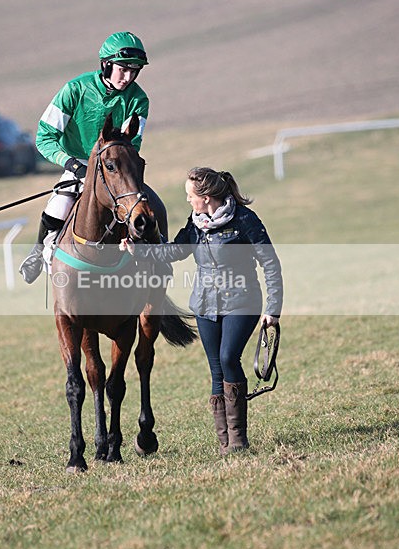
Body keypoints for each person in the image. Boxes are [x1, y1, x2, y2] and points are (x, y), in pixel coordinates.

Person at [121, 167, 283, 455]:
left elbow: (270, 263)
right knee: (216, 369)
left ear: (206, 197)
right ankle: (225, 443)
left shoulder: (245, 220)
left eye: (190, 196)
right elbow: (176, 251)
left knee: (228, 358)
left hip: (242, 302)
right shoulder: (195, 224)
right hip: (205, 304)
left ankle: (238, 440)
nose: (188, 201)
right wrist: (139, 251)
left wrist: (273, 309)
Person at [19, 31, 150, 283]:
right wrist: (72, 165)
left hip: (116, 169)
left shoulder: (139, 99)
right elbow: (44, 138)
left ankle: (154, 258)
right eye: (122, 69)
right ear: (106, 64)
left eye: (134, 71)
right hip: (77, 164)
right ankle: (37, 252)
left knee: (143, 210)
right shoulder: (74, 90)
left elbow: (132, 144)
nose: (128, 77)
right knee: (56, 209)